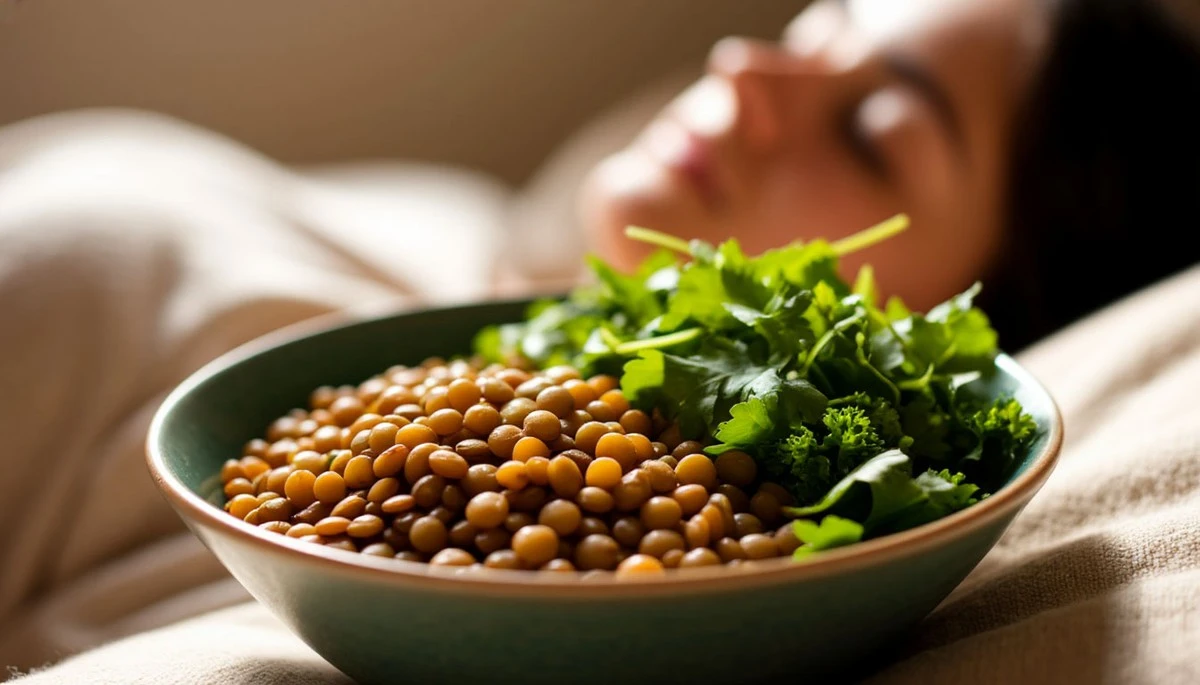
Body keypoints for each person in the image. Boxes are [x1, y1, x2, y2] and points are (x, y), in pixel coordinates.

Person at [0, 0, 1197, 682]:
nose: (750, 66)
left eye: (875, 133)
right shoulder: (439, 233)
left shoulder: (381, 605)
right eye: (821, 19)